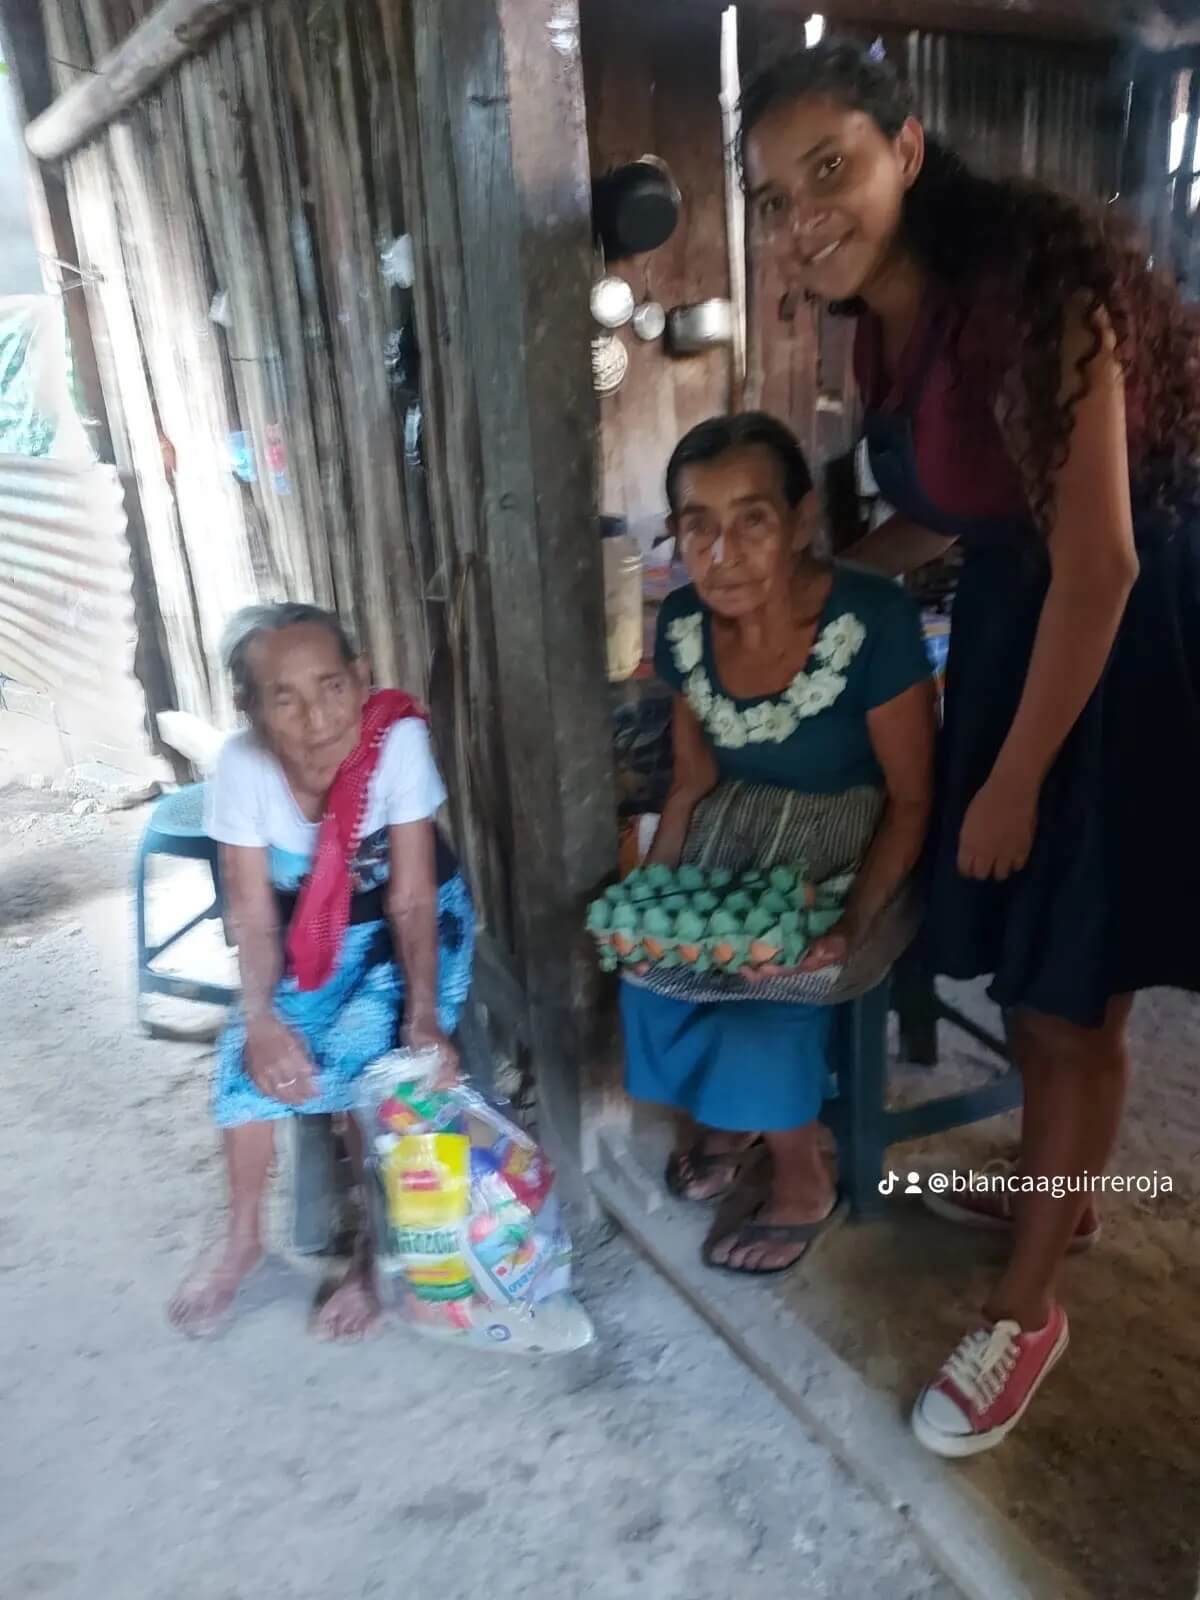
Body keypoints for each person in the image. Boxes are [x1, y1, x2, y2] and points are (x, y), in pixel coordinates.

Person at [740, 40, 1200, 1456]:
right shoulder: (882, 324)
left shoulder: (1034, 299)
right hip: (1017, 620)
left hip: (1120, 647)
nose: (804, 215)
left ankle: (1028, 1308)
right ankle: (1062, 1196)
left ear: (908, 150)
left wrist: (1009, 780)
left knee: (1072, 990)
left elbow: (1102, 561)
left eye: (832, 168)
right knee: (1037, 959)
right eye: (776, 196)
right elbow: (951, 504)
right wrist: (811, 587)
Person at [622, 412, 935, 1275]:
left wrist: (852, 922)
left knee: (774, 982)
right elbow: (691, 781)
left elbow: (913, 798)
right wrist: (652, 897)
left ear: (800, 524)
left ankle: (804, 1179)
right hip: (734, 832)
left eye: (751, 520)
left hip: (855, 842)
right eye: (698, 526)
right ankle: (734, 1118)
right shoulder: (682, 622)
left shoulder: (872, 619)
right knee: (652, 971)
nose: (722, 553)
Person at [168, 602, 474, 1339]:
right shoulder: (240, 768)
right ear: (249, 708)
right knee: (246, 1064)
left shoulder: (396, 742)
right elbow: (251, 914)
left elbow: (410, 897)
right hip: (302, 935)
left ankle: (373, 1252)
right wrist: (261, 1019)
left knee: (373, 1061)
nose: (317, 717)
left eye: (332, 686)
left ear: (361, 679)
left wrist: (423, 1016)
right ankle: (244, 1241)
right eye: (285, 698)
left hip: (407, 927)